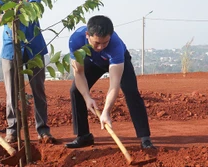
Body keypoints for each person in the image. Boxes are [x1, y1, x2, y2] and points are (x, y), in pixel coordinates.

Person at [65, 15, 155, 149]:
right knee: (76, 91)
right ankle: (83, 136)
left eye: (105, 42)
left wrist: (106, 112)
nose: (101, 47)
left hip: (116, 62)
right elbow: (79, 72)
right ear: (87, 35)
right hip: (93, 61)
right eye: (97, 43)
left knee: (131, 92)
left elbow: (114, 83)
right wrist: (87, 97)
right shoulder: (75, 41)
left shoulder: (115, 46)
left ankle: (145, 138)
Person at [0, 0, 55, 144]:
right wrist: (8, 9)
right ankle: (12, 129)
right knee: (11, 92)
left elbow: (34, 9)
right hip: (10, 46)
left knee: (38, 89)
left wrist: (15, 6)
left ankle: (42, 129)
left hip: (34, 46)